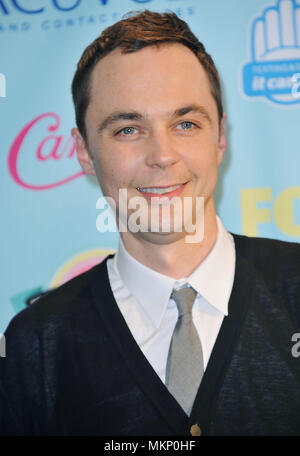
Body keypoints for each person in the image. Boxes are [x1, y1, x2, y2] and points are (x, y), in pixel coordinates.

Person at [0, 10, 300, 436]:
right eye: (127, 129)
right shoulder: (34, 346)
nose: (162, 154)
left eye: (185, 123)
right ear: (84, 152)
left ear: (219, 139)